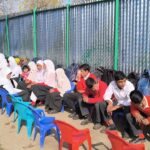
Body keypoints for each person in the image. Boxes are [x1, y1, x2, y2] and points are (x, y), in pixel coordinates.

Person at [99, 71, 140, 138]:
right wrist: (110, 103)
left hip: (127, 104)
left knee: (127, 112)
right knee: (102, 104)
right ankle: (112, 124)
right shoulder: (112, 84)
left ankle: (127, 131)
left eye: (124, 81)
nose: (123, 83)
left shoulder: (129, 85)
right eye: (120, 82)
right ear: (115, 81)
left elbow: (130, 101)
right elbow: (106, 95)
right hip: (117, 101)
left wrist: (116, 107)